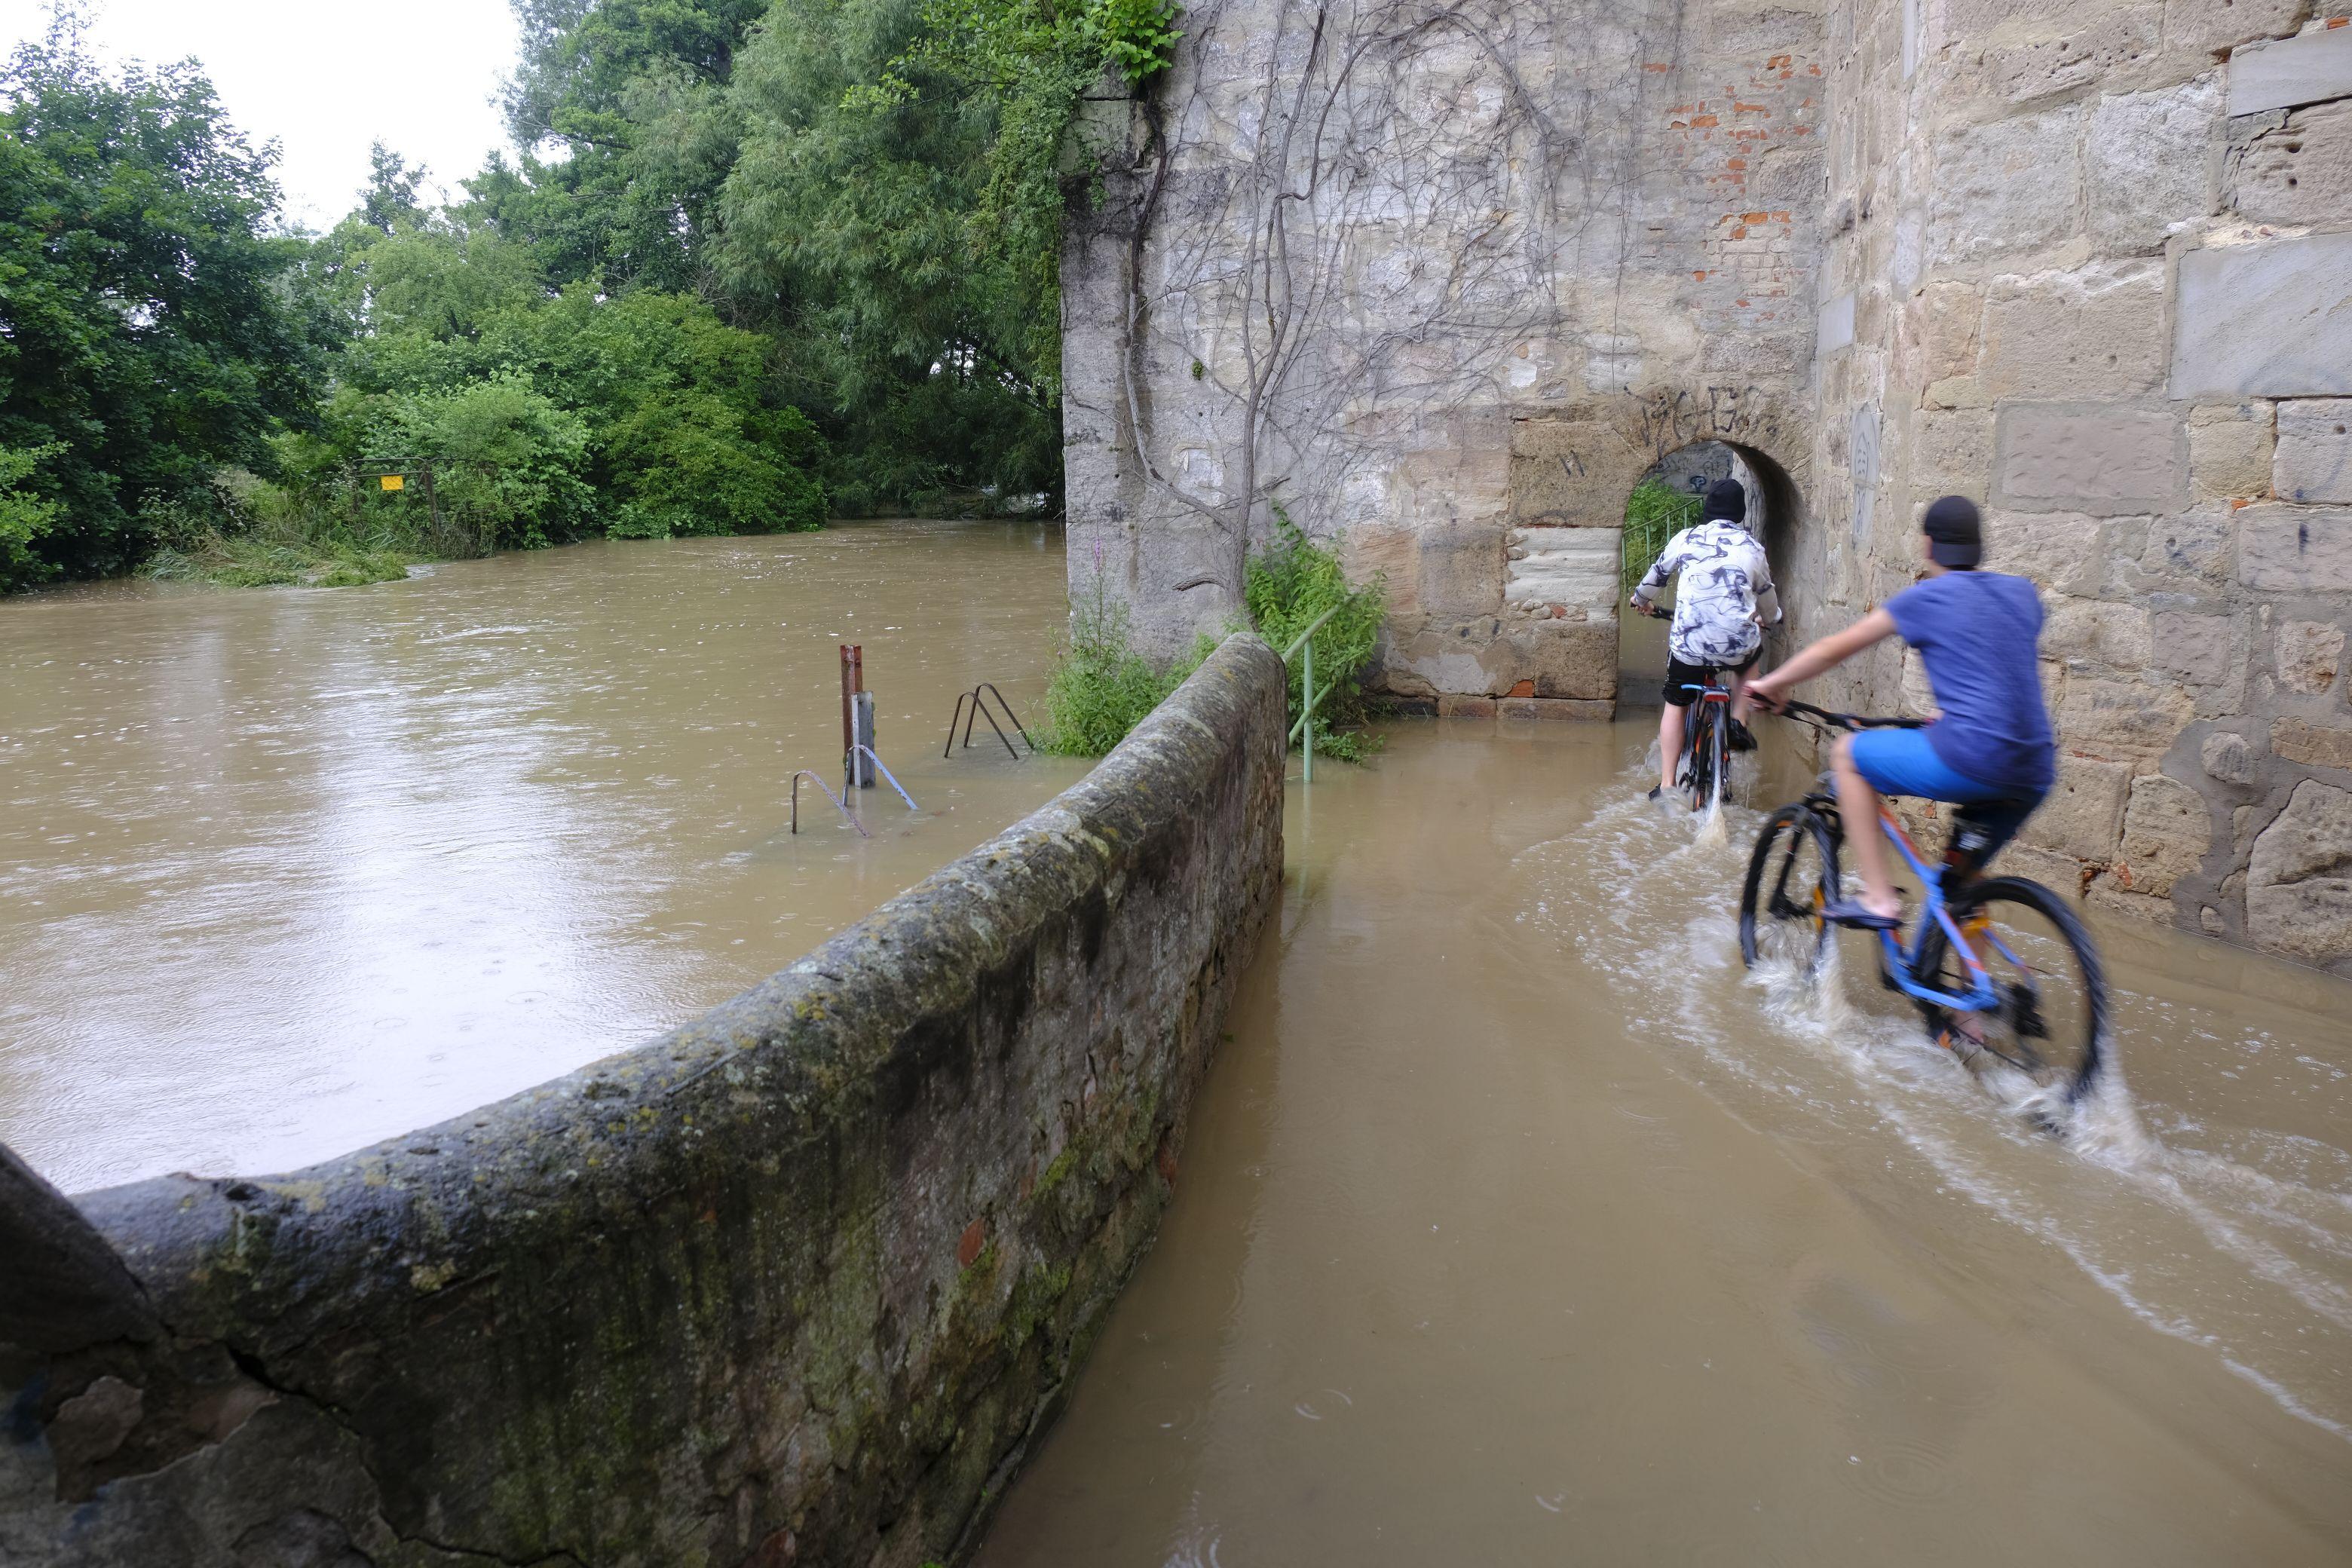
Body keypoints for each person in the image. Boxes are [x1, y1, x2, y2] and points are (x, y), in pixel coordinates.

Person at [1735, 495, 2055, 928]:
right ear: (1978, 545)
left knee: (1848, 755)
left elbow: (1835, 649)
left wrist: (1770, 684)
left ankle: (1879, 898)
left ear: (1928, 546)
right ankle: (1969, 986)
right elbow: (1996, 662)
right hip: (2035, 767)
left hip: (1972, 755)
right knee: (1961, 885)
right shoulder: (2022, 594)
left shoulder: (1926, 598)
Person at [1629, 477, 1782, 801]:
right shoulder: (1753, 549)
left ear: (1707, 509)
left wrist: (1640, 601)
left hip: (1690, 646)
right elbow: (1766, 597)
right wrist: (1769, 620)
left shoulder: (1686, 539)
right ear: (1740, 512)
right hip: (1736, 643)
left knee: (1676, 703)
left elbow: (1656, 576)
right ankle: (1738, 723)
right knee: (1750, 659)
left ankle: (1668, 784)